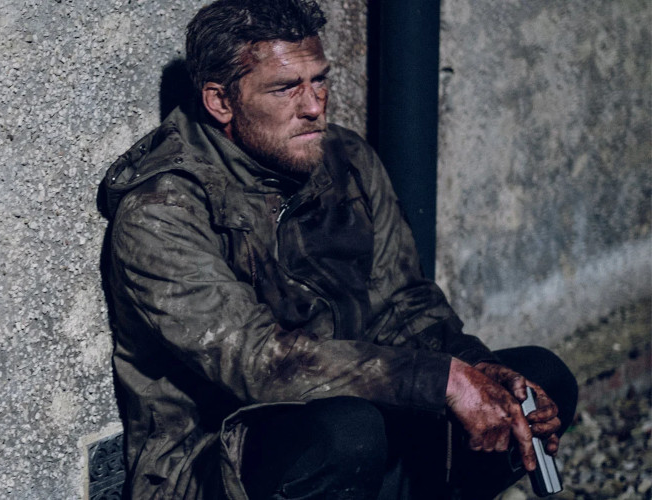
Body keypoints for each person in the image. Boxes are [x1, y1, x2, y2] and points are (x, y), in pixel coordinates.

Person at [98, 1, 578, 498]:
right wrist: (441, 383)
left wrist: (477, 370)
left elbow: (404, 305)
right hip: (216, 456)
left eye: (320, 80)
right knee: (346, 433)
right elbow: (255, 361)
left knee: (541, 379)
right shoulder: (161, 209)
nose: (313, 106)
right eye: (285, 88)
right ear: (221, 102)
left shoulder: (347, 160)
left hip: (357, 416)